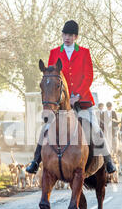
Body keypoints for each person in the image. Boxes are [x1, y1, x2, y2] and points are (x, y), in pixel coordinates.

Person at [26, 20, 116, 174]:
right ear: (62, 35)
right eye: (65, 34)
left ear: (76, 37)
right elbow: (51, 77)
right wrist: (61, 98)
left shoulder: (84, 52)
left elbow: (88, 76)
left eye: (71, 35)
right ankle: (35, 161)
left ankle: (108, 161)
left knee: (95, 129)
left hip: (83, 101)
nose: (67, 37)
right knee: (46, 129)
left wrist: (77, 95)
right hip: (60, 103)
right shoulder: (54, 52)